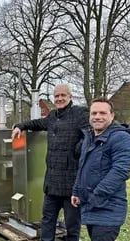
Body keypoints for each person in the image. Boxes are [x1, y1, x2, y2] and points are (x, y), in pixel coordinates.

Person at [11, 84, 90, 241]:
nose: (59, 99)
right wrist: (20, 126)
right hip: (52, 182)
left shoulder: (80, 113)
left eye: (63, 95)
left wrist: (77, 150)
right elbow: (38, 123)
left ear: (70, 97)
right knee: (47, 220)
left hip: (71, 183)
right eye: (56, 96)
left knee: (72, 225)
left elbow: (89, 135)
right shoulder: (53, 116)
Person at [71, 97, 130, 241]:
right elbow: (82, 166)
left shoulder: (121, 138)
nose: (97, 117)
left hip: (108, 209)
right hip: (91, 206)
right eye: (94, 113)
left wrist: (96, 196)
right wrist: (76, 191)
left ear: (112, 115)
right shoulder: (89, 137)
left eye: (102, 113)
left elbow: (120, 171)